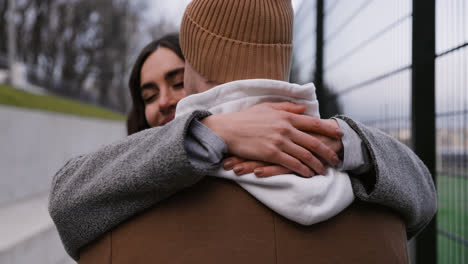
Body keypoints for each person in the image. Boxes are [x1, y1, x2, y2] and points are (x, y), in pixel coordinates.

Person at [49, 1, 436, 263]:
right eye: (149, 94)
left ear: (195, 70)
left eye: (176, 81)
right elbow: (422, 200)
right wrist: (213, 129)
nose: (165, 102)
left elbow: (66, 201)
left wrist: (343, 138)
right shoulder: (384, 217)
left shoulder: (113, 217)